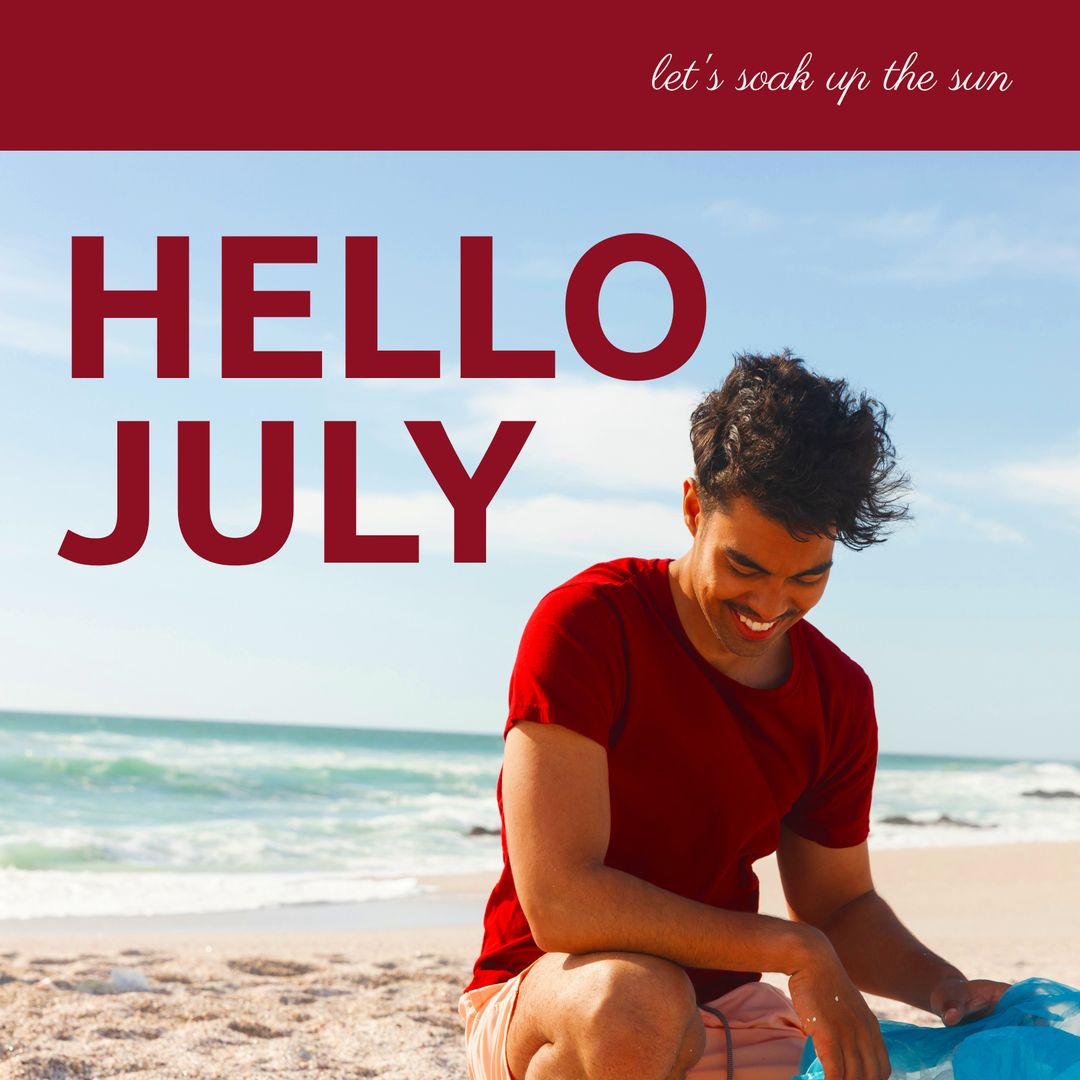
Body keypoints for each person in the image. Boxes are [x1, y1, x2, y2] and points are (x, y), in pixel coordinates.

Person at [457, 352, 1010, 1080]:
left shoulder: (838, 693)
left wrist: (943, 987)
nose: (771, 606)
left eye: (808, 577)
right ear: (693, 508)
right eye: (745, 568)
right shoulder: (589, 626)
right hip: (560, 994)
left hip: (732, 1011)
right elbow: (562, 900)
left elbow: (838, 903)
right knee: (638, 1003)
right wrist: (793, 949)